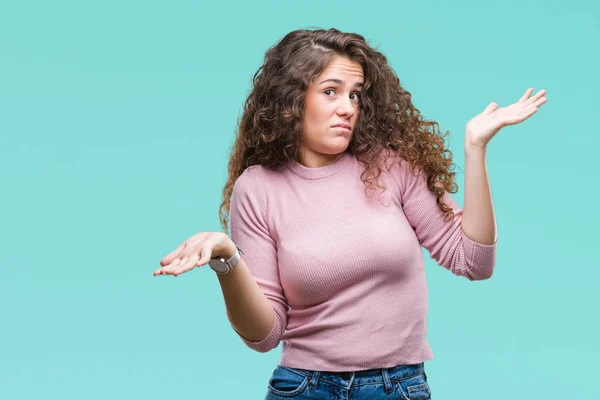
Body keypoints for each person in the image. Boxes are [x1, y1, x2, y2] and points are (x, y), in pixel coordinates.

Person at [153, 28, 547, 400]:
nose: (347, 108)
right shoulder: (257, 189)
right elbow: (265, 335)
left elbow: (473, 260)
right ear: (291, 101)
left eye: (355, 95)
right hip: (305, 387)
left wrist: (475, 149)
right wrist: (227, 258)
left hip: (399, 386)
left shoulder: (391, 167)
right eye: (330, 91)